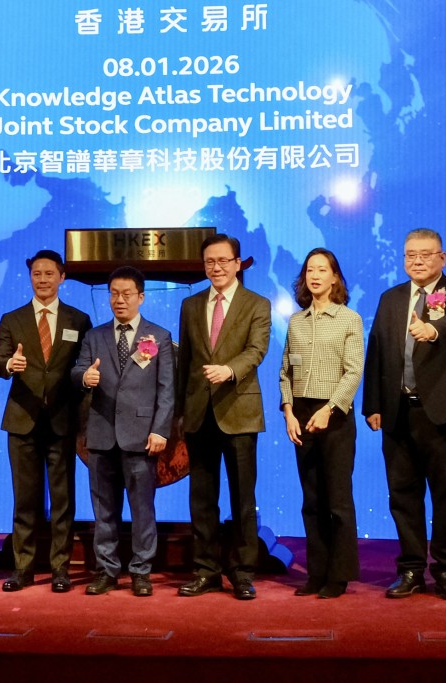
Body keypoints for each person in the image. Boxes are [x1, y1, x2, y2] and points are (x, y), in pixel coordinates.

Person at [362, 228, 446, 601]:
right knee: (403, 495)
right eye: (410, 255)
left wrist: (433, 328)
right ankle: (411, 568)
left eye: (425, 255)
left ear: (442, 258)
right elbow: (377, 350)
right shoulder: (392, 298)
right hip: (397, 412)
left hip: (441, 414)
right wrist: (373, 404)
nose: (417, 261)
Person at [176, 233, 271, 600]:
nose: (216, 267)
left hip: (240, 412)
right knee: (202, 499)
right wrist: (180, 412)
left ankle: (243, 573)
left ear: (237, 263)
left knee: (242, 500)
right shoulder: (190, 304)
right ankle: (206, 571)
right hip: (199, 414)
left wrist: (229, 370)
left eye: (222, 261)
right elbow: (185, 362)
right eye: (209, 262)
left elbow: (256, 350)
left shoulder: (257, 304)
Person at [72, 266, 175, 597]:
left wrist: (161, 430)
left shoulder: (157, 337)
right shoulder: (95, 336)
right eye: (114, 293)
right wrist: (83, 377)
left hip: (141, 436)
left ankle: (141, 570)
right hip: (101, 435)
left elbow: (166, 390)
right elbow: (76, 370)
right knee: (105, 510)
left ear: (141, 297)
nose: (119, 300)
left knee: (143, 508)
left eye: (126, 294)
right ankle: (106, 569)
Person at [0, 249, 91, 592]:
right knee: (26, 499)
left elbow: (83, 368)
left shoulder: (78, 320)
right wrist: (9, 366)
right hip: (22, 421)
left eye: (50, 273)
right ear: (30, 276)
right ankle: (22, 568)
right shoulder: (12, 318)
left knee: (63, 501)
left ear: (62, 277)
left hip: (63, 422)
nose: (43, 279)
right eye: (37, 273)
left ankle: (60, 569)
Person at [279, 248, 363, 599]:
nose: (315, 275)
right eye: (310, 270)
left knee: (337, 500)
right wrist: (287, 410)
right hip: (300, 413)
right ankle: (316, 572)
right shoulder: (296, 321)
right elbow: (286, 369)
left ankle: (338, 576)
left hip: (335, 416)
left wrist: (329, 408)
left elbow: (353, 371)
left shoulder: (349, 319)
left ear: (334, 278)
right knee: (311, 500)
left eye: (322, 269)